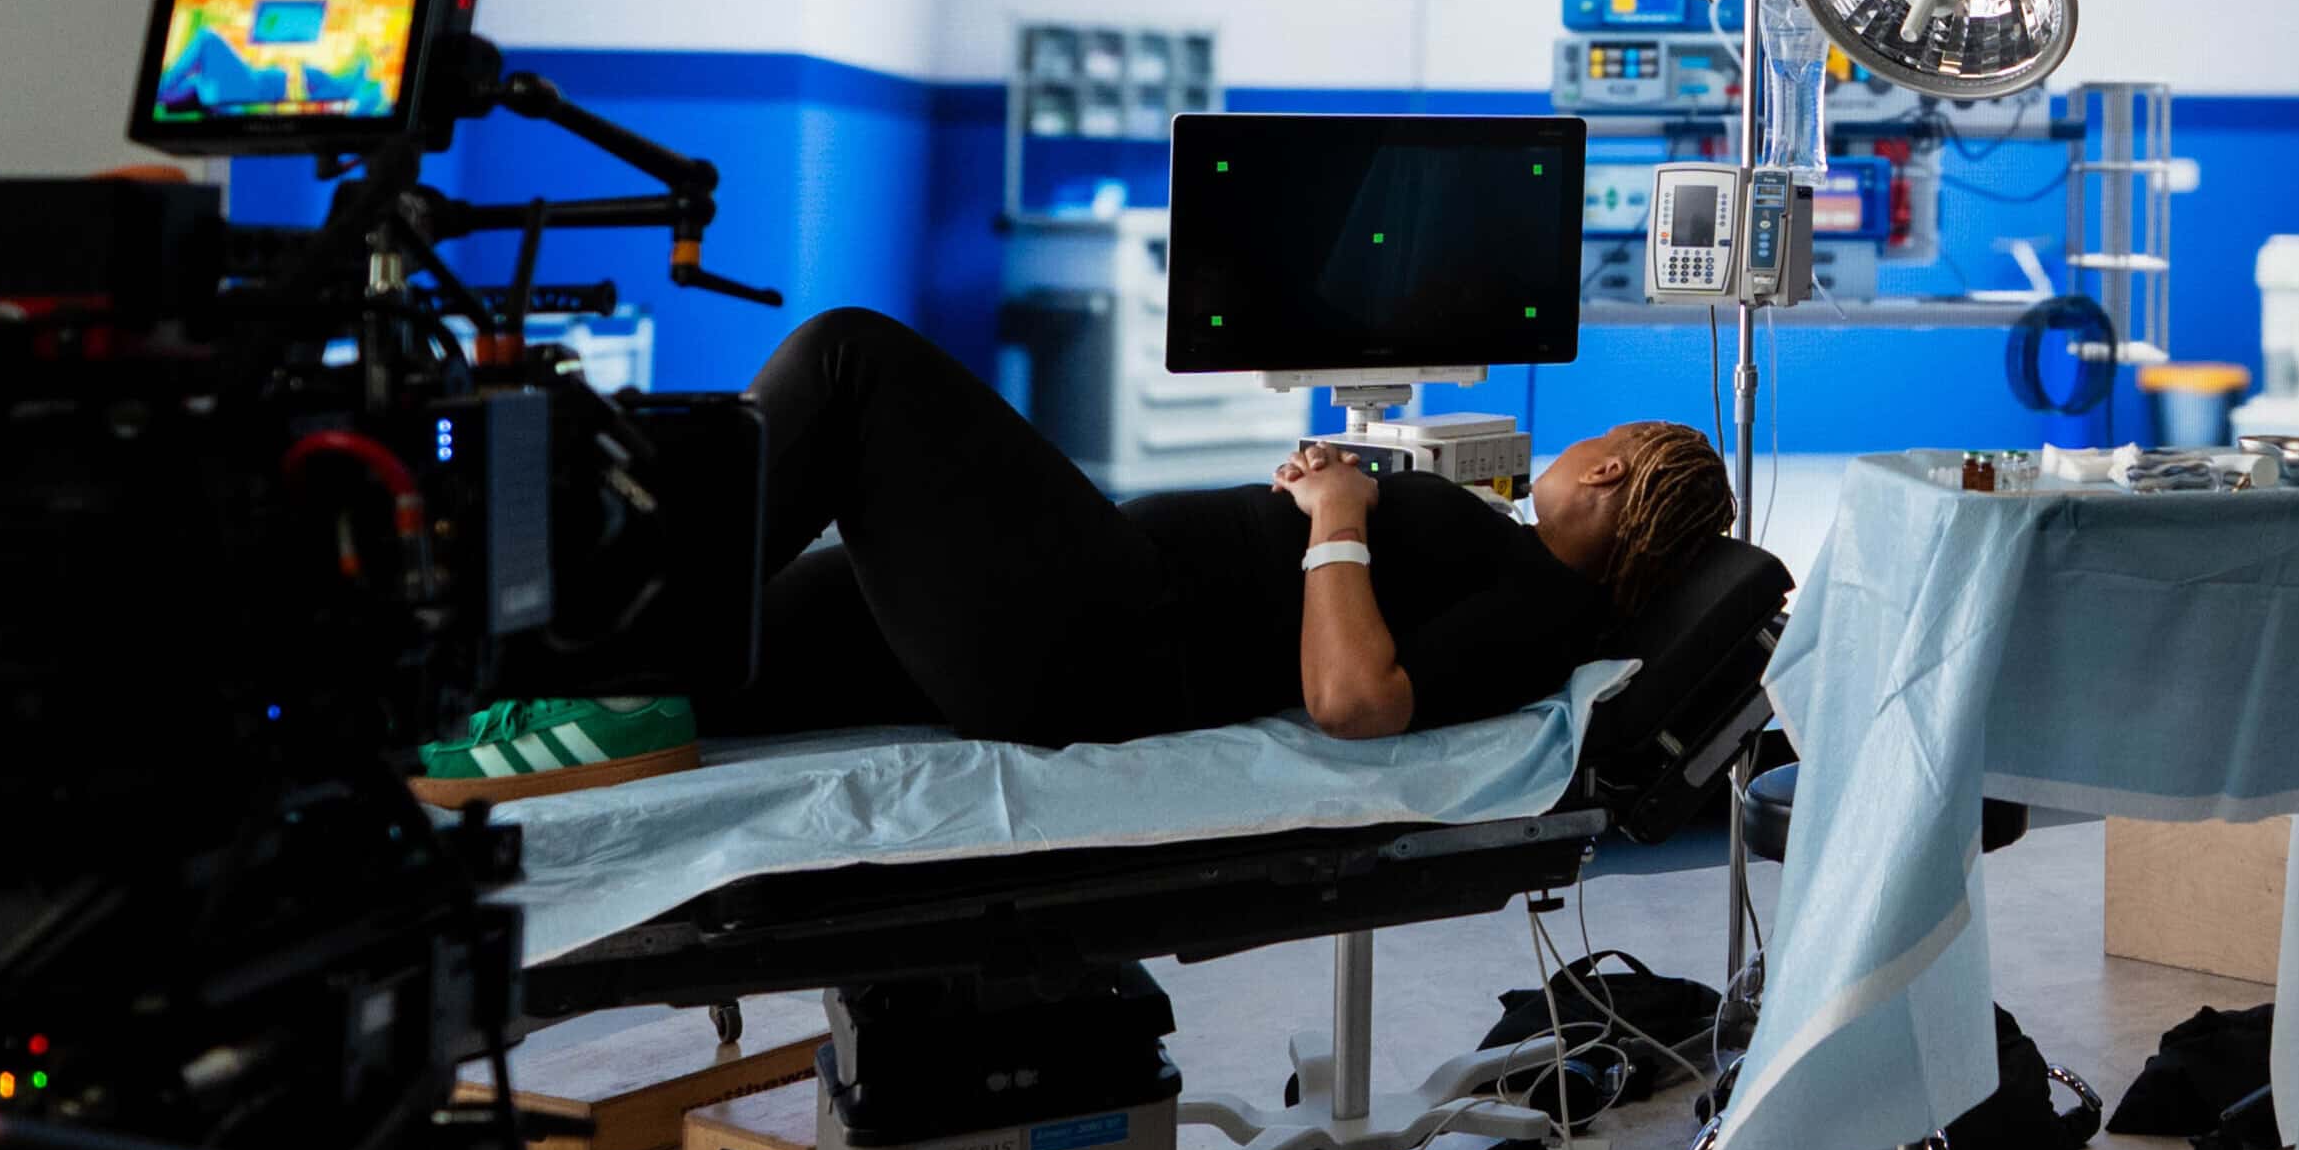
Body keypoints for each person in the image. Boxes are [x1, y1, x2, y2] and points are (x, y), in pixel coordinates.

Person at [408, 305, 1735, 798]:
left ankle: (612, 650)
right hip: (1068, 627)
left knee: (851, 363)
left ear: (1610, 468)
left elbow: (1355, 700)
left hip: (1097, 638)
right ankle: (502, 705)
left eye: (1590, 445)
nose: (1567, 452)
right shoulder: (1518, 579)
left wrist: (1334, 520)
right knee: (764, 647)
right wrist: (1329, 508)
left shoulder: (1535, 599)